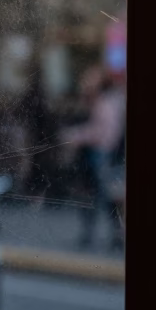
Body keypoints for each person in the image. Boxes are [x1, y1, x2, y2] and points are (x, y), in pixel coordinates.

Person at [66, 70, 125, 251]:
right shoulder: (100, 103)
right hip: (100, 156)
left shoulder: (105, 105)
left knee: (105, 198)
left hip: (102, 156)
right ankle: (107, 233)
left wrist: (77, 136)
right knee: (102, 198)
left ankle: (112, 234)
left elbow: (103, 133)